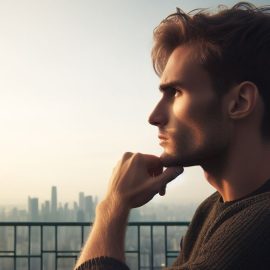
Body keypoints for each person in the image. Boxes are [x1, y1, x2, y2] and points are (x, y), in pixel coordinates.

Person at [74, 2, 270, 269]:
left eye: (175, 92)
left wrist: (112, 206)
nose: (154, 116)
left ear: (239, 102)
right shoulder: (211, 209)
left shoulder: (258, 230)